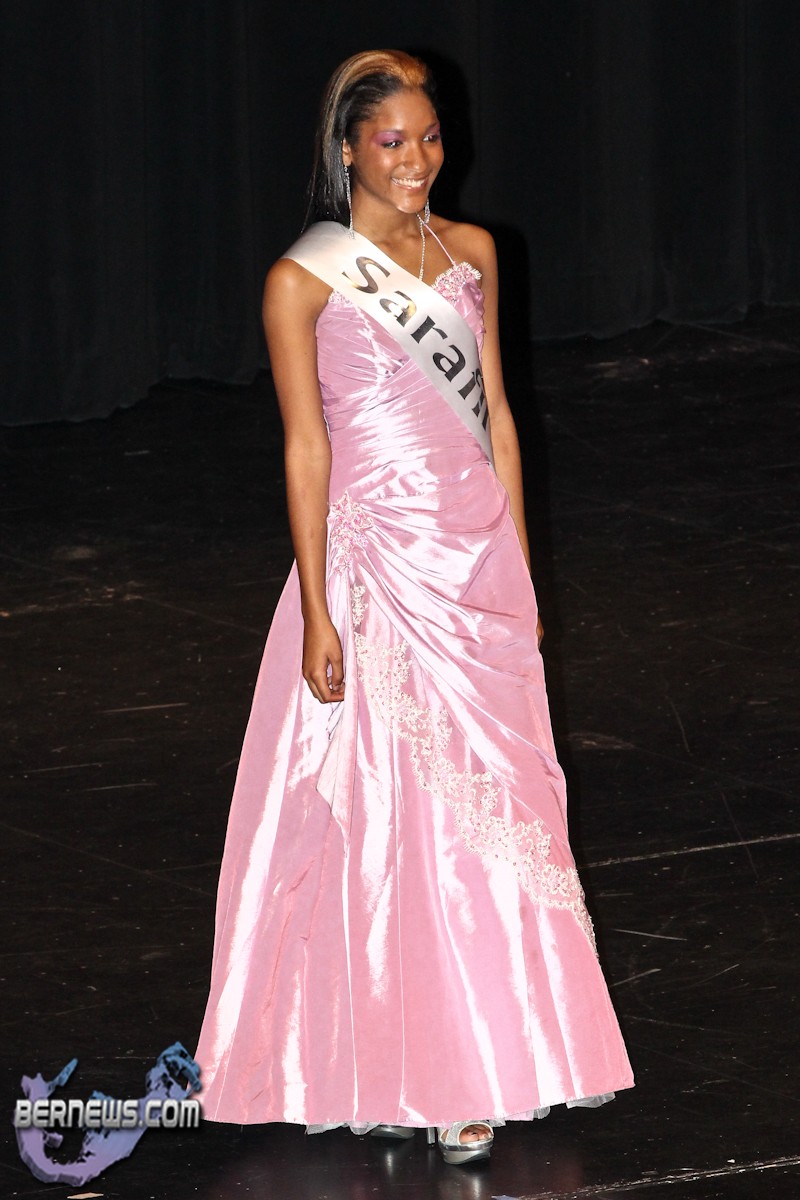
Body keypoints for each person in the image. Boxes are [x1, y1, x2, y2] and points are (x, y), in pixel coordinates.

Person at [194, 49, 633, 1167]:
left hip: (474, 564)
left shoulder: (473, 253)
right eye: (391, 141)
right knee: (391, 821)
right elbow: (305, 449)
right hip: (376, 567)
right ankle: (410, 1062)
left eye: (429, 138)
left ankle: (498, 1045)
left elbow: (500, 421)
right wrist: (318, 609)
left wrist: (520, 568)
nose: (417, 160)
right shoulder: (302, 280)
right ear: (347, 149)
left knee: (500, 808)